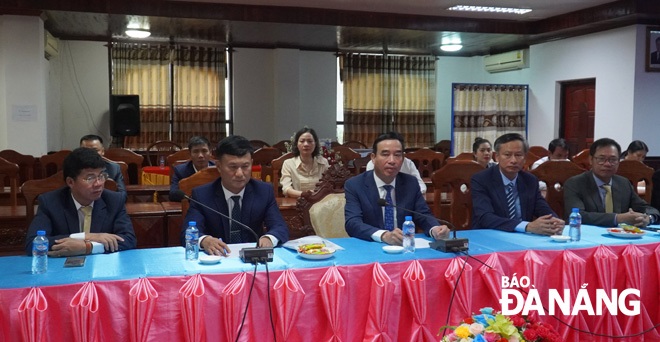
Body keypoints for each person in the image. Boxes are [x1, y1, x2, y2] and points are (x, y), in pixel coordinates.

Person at [181, 135, 289, 256]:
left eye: (245, 166)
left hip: (253, 261)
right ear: (219, 167)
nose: (239, 174)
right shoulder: (202, 195)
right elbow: (187, 232)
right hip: (217, 259)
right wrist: (204, 240)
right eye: (233, 167)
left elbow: (280, 227)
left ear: (251, 164)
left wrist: (269, 238)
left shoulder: (264, 191)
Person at [25, 147, 136, 256]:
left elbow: (129, 240)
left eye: (101, 176)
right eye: (90, 178)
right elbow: (33, 243)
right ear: (70, 182)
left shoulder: (114, 201)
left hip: (101, 267)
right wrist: (87, 236)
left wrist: (88, 247)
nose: (98, 183)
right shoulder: (50, 202)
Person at [344, 132, 449, 245]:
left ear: (403, 159)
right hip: (370, 247)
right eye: (385, 154)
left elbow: (423, 214)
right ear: (373, 158)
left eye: (397, 155)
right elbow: (352, 223)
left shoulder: (410, 183)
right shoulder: (355, 185)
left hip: (403, 247)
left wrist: (435, 229)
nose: (392, 161)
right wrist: (384, 235)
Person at [471, 133, 564, 234]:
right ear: (497, 157)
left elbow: (543, 209)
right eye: (507, 155)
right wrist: (526, 226)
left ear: (525, 158)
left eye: (518, 155)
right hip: (490, 236)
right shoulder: (481, 179)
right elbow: (485, 217)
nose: (513, 160)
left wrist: (555, 221)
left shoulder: (530, 180)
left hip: (522, 238)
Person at [563, 138, 659, 227]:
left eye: (613, 160)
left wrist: (649, 218)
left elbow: (646, 208)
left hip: (621, 237)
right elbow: (579, 215)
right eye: (601, 159)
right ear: (591, 160)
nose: (607, 164)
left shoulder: (623, 183)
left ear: (618, 161)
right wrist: (618, 218)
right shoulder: (575, 184)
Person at [280, 127, 329, 198]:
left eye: (310, 141)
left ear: (315, 143)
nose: (306, 144)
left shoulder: (323, 162)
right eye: (302, 141)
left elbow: (328, 186)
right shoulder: (288, 164)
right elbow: (286, 189)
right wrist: (303, 194)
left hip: (319, 203)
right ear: (297, 144)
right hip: (296, 203)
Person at [80, 134, 126, 199]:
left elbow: (122, 195)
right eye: (86, 151)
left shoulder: (114, 169)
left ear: (102, 151)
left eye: (95, 150)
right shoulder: (72, 169)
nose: (90, 154)